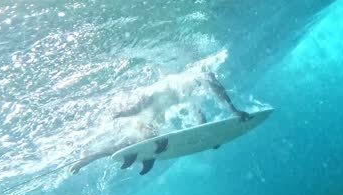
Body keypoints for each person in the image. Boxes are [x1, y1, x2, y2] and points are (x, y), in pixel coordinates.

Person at [69, 70, 250, 175]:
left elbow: (199, 107)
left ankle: (144, 158)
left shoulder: (197, 82)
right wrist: (124, 113)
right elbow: (142, 105)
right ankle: (85, 160)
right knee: (144, 138)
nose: (208, 86)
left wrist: (208, 136)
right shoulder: (178, 81)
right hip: (145, 116)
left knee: (153, 139)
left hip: (155, 120)